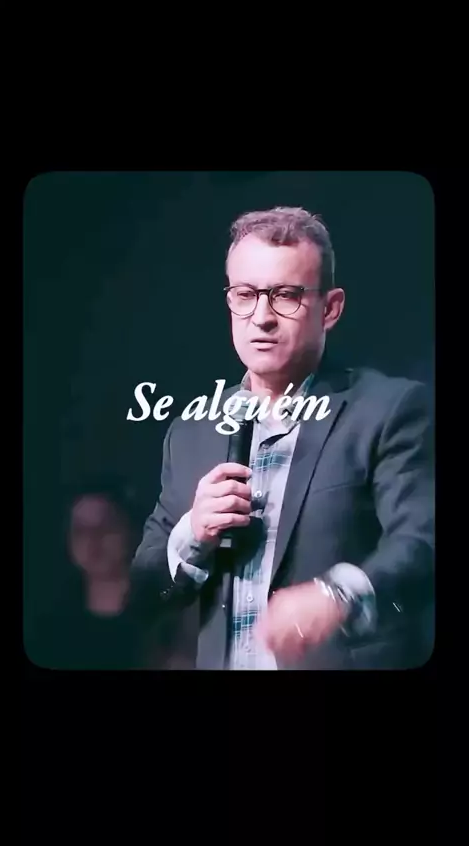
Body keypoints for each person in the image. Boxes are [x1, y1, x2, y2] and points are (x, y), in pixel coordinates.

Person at [130, 207, 435, 670]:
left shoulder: (388, 410)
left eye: (286, 296)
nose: (262, 317)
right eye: (245, 295)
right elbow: (144, 590)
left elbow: (422, 542)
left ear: (330, 308)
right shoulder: (192, 431)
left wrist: (339, 594)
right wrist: (192, 535)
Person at [28, 478, 159, 670]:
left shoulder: (163, 619)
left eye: (108, 525)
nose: (93, 538)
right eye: (80, 530)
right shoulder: (51, 628)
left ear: (132, 530)